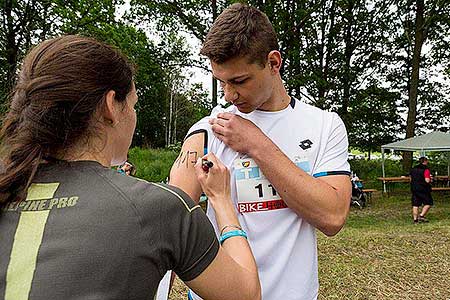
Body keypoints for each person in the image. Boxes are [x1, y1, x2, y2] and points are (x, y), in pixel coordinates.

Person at [0, 35, 261, 300]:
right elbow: (246, 294)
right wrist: (222, 200)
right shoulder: (158, 207)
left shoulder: (9, 183)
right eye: (134, 104)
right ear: (111, 106)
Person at [169, 4, 351, 300]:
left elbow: (332, 216)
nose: (229, 95)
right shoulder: (208, 129)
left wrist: (257, 144)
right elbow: (172, 218)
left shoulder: (324, 125)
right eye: (222, 83)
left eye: (239, 81)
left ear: (273, 63)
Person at [410, 157, 433, 223]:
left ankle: (415, 220)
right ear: (425, 161)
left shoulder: (413, 169)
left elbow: (411, 179)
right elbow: (427, 180)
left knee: (415, 204)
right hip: (423, 189)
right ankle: (421, 216)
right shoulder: (426, 170)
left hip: (414, 188)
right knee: (428, 202)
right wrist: (431, 179)